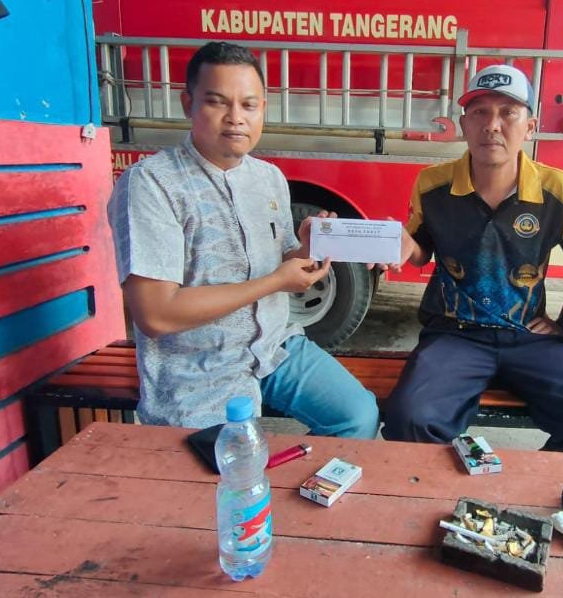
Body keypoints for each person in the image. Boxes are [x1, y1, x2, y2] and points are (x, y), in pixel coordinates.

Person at [107, 41, 379, 437]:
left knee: (357, 415)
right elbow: (156, 314)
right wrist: (275, 282)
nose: (236, 118)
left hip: (274, 347)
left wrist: (306, 250)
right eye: (217, 102)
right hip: (198, 366)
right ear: (188, 104)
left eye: (249, 105)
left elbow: (280, 264)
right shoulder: (151, 184)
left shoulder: (267, 178)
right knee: (233, 463)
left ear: (263, 109)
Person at [381, 64, 563, 452]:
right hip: (454, 335)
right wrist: (399, 244)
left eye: (508, 113)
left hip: (529, 338)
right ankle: (450, 485)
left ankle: (527, 484)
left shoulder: (557, 189)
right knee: (409, 418)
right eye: (480, 112)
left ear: (529, 127)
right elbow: (420, 253)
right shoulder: (433, 184)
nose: (492, 125)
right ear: (463, 125)